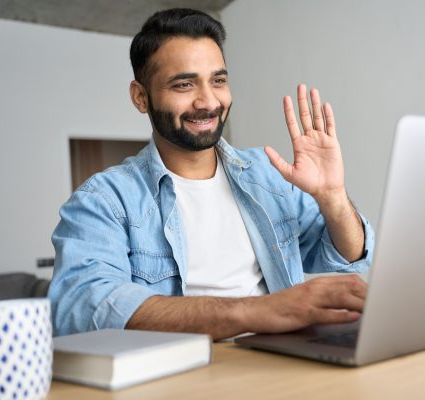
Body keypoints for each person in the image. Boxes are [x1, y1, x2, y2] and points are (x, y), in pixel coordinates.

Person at [48, 8, 375, 339]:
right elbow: (82, 305)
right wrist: (258, 312)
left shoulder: (267, 175)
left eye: (218, 80)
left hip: (281, 364)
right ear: (141, 97)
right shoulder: (105, 200)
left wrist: (332, 196)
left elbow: (347, 257)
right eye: (184, 84)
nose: (207, 101)